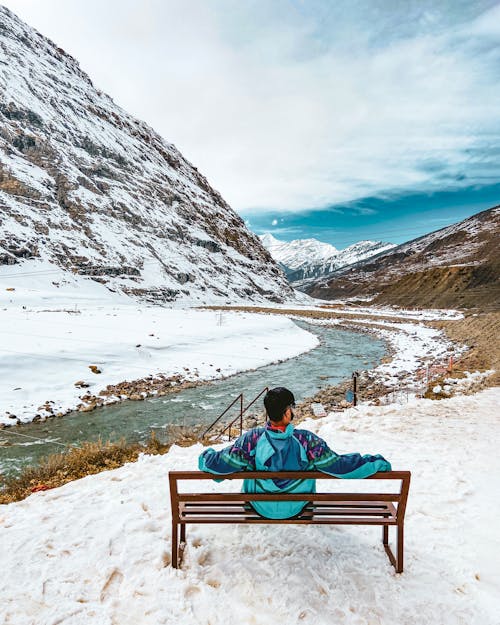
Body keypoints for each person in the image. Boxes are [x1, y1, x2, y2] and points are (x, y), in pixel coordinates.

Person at [198, 386, 391, 519]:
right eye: (292, 407)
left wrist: (204, 457)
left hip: (259, 506)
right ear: (287, 412)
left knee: (248, 463)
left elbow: (219, 465)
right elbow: (339, 466)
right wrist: (376, 462)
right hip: (298, 506)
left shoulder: (252, 439)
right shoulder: (307, 441)